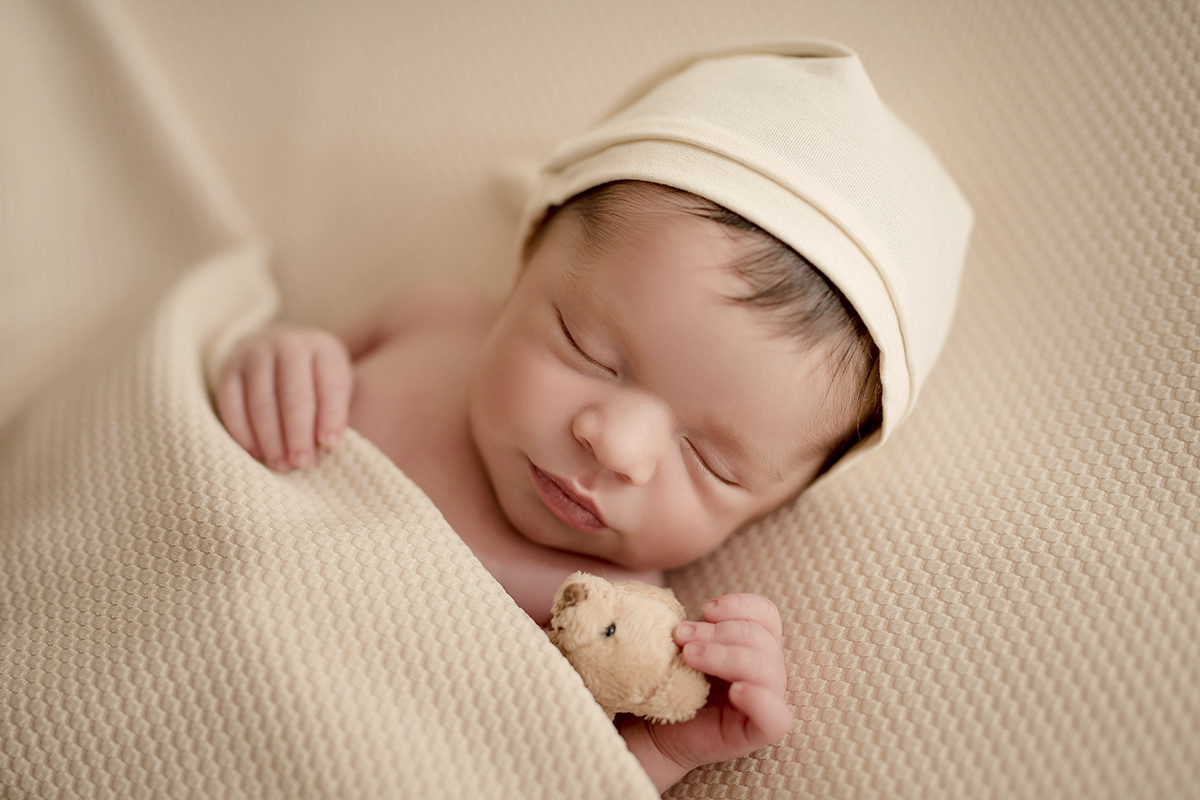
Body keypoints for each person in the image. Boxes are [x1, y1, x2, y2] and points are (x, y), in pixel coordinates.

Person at [214, 41, 972, 794]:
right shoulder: (431, 322)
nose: (617, 447)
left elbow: (529, 773)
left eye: (714, 463)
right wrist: (269, 358)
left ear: (779, 503)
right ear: (531, 252)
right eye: (587, 349)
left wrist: (671, 751)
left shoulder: (626, 621)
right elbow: (213, 396)